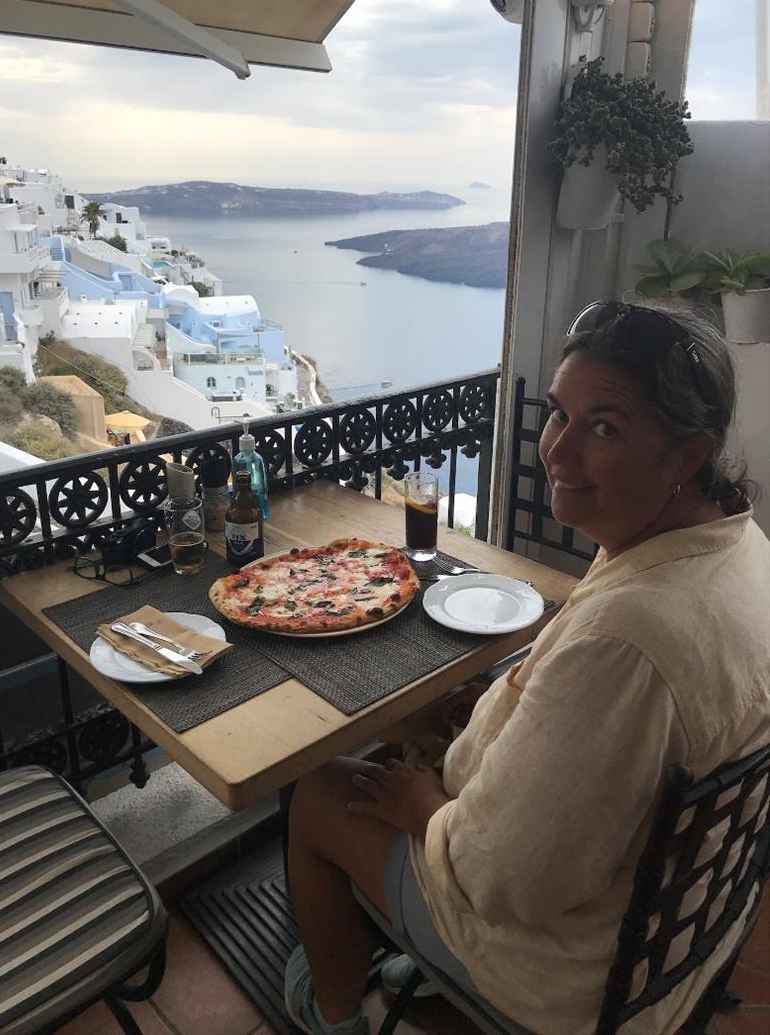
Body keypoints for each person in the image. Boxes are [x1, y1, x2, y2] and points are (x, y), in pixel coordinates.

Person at [284, 302, 770, 1035]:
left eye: (605, 427)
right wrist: (502, 709)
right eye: (558, 415)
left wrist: (421, 805)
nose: (558, 452)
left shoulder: (631, 640)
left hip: (568, 970)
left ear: (687, 455)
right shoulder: (738, 547)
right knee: (423, 728)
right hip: (679, 932)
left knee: (318, 791)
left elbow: (501, 877)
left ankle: (336, 1015)